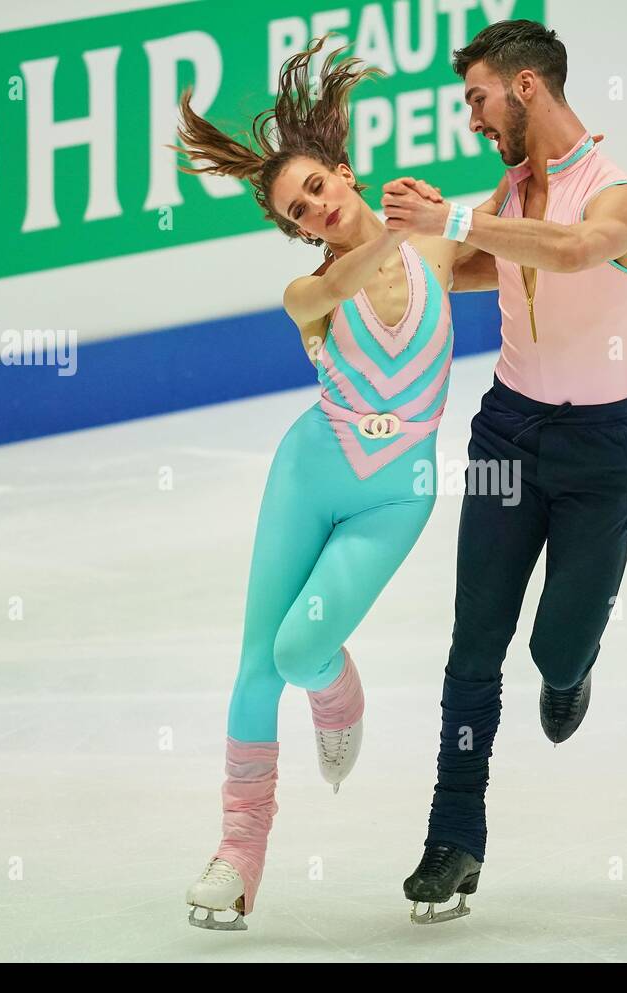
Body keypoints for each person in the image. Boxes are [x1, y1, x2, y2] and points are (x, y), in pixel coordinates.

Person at [172, 36, 488, 930]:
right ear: (299, 231)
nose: (312, 207)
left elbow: (518, 254)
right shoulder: (306, 294)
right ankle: (238, 858)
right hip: (310, 472)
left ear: (343, 172)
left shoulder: (434, 256)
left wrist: (459, 217)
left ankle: (335, 688)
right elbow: (348, 277)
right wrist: (404, 224)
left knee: (298, 650)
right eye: (295, 211)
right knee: (252, 664)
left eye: (315, 185)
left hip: (396, 492)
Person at [381, 19, 627, 922]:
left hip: (601, 453)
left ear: (527, 87)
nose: (471, 117)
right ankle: (452, 835)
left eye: (477, 97)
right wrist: (370, 241)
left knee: (553, 645)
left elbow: (578, 250)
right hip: (506, 438)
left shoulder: (622, 196)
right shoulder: (503, 198)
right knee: (474, 641)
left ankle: (570, 666)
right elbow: (446, 269)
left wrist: (458, 219)